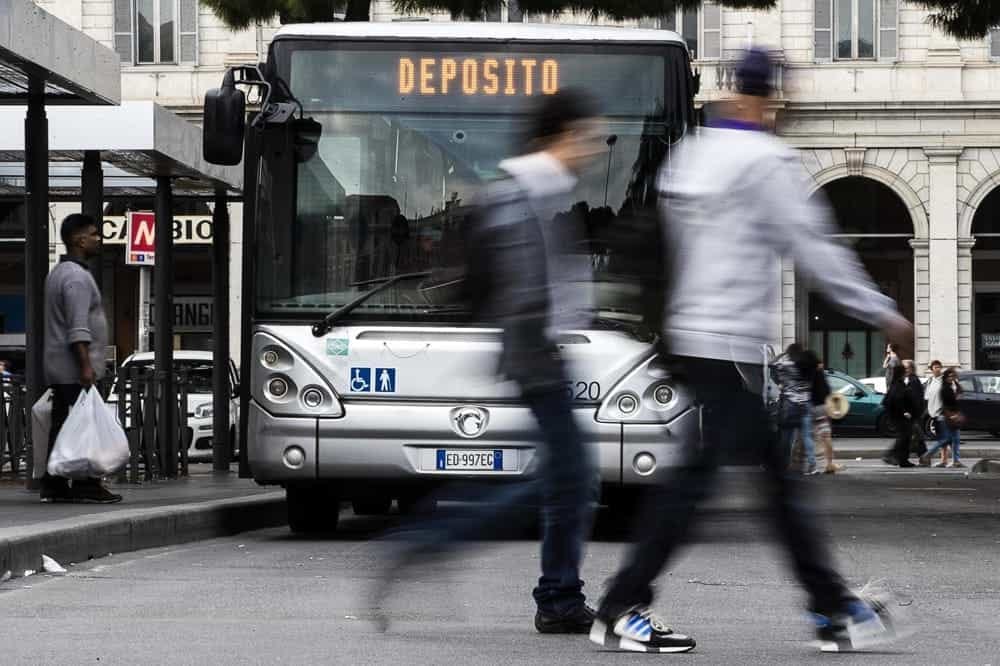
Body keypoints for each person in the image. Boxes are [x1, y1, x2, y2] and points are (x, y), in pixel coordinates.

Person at [588, 48, 913, 654]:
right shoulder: (766, 161)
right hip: (720, 342)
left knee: (754, 481)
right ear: (770, 99)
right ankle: (622, 607)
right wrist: (881, 312)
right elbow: (815, 248)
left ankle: (830, 608)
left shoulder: (695, 153)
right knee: (724, 485)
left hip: (686, 336)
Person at [372, 90, 605, 634]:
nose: (593, 148)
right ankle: (426, 544)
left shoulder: (543, 188)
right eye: (587, 136)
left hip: (541, 353)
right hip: (535, 355)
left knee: (568, 479)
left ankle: (559, 595)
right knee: (566, 477)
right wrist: (543, 345)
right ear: (561, 135)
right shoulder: (523, 192)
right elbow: (523, 287)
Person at [40, 214, 121, 504]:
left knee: (65, 424)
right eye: (94, 234)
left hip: (62, 367)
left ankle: (55, 484)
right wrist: (86, 366)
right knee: (82, 427)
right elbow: (77, 327)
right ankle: (86, 483)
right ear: (79, 239)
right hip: (74, 369)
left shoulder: (59, 273)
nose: (99, 239)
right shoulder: (75, 277)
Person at [772, 343, 818, 475]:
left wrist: (781, 355)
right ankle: (812, 465)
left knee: (787, 438)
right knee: (807, 437)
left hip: (790, 405)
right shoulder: (807, 366)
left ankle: (783, 465)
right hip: (805, 404)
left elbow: (772, 364)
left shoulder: (786, 366)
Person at [921, 366, 964, 468]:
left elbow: (959, 392)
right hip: (948, 416)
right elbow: (946, 403)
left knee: (956, 439)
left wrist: (956, 384)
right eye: (949, 376)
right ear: (945, 377)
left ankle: (956, 461)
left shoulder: (951, 386)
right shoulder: (945, 389)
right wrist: (953, 415)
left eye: (953, 376)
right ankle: (927, 455)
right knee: (945, 439)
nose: (951, 378)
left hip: (952, 415)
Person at [881, 365, 919, 468]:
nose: (906, 372)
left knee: (905, 437)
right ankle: (891, 456)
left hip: (900, 416)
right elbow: (898, 399)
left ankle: (903, 460)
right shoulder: (898, 384)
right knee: (904, 437)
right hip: (900, 417)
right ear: (901, 373)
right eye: (904, 370)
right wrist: (904, 412)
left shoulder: (899, 383)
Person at [901, 359, 927, 460]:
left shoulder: (913, 381)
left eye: (907, 368)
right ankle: (923, 458)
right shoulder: (910, 380)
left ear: (912, 369)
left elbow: (915, 399)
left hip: (914, 414)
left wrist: (910, 412)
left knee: (916, 437)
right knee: (917, 437)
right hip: (914, 414)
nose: (905, 370)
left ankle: (923, 458)